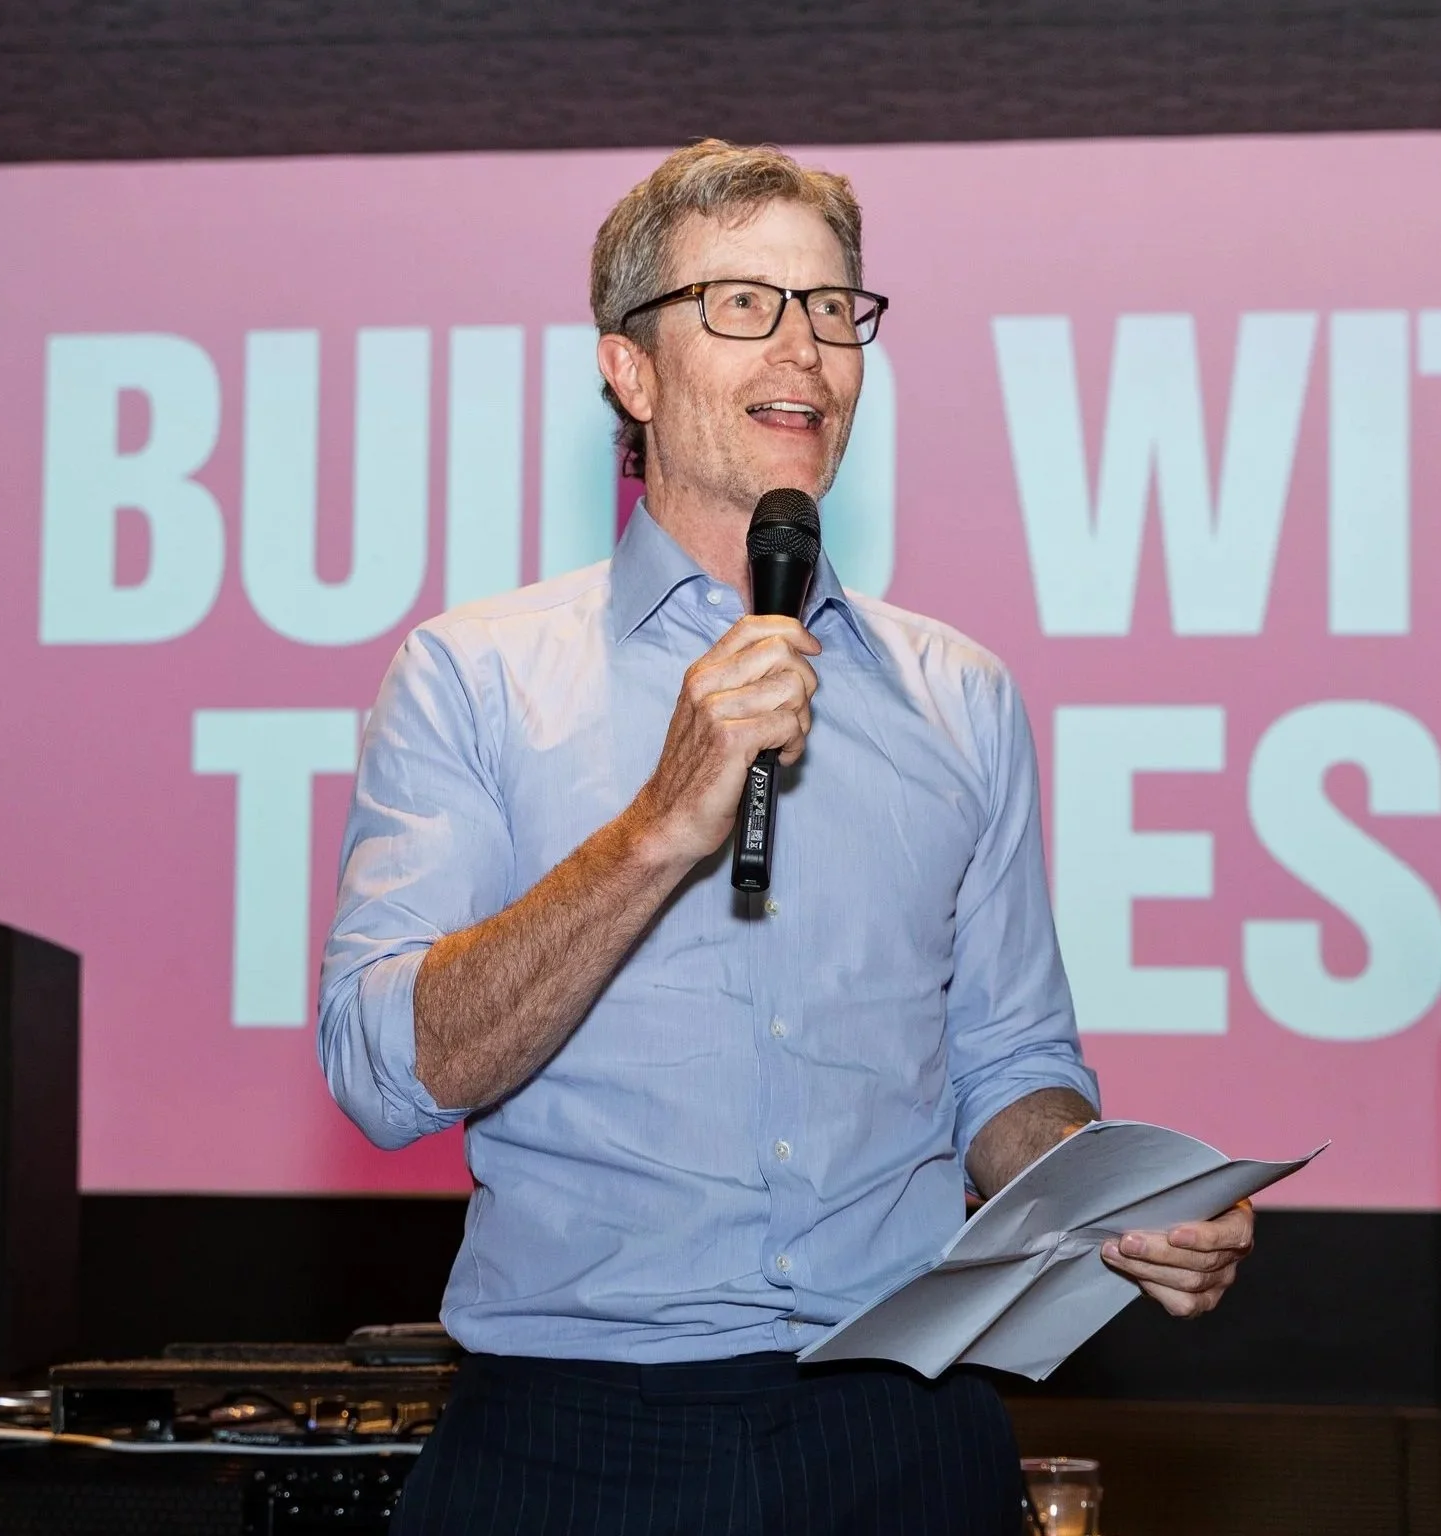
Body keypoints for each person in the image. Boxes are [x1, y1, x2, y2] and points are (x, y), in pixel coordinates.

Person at [318, 139, 1256, 1535]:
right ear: (628, 372)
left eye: (832, 309)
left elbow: (1008, 1068)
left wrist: (1111, 1197)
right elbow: (385, 1071)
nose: (804, 350)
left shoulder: (961, 698)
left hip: (904, 1422)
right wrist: (654, 828)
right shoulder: (475, 674)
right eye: (742, 303)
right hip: (580, 1432)